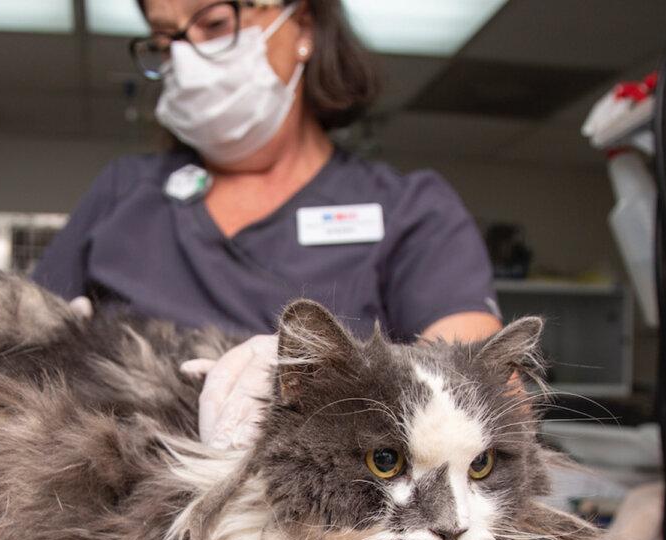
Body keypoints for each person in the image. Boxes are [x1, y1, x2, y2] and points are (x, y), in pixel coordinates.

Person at [33, 0, 502, 448]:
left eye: (215, 24)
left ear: (302, 26)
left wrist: (324, 388)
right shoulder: (125, 191)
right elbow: (13, 339)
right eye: (163, 41)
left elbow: (483, 400)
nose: (186, 58)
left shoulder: (411, 209)